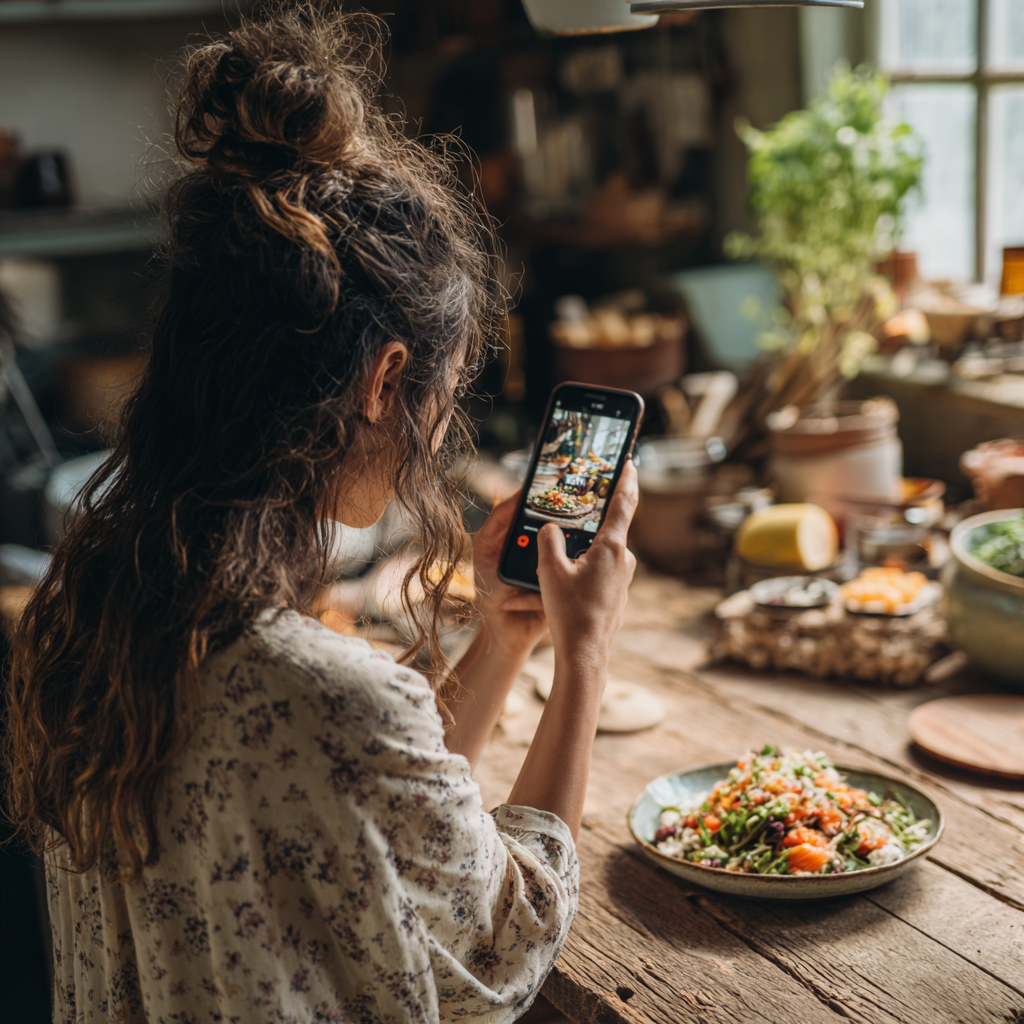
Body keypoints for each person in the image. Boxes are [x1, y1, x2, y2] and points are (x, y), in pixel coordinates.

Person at [3, 6, 638, 1023]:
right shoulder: (325, 694)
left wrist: (504, 636)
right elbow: (503, 938)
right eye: (447, 392)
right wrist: (587, 652)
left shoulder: (86, 613)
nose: (442, 429)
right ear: (386, 379)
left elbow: (376, 812)